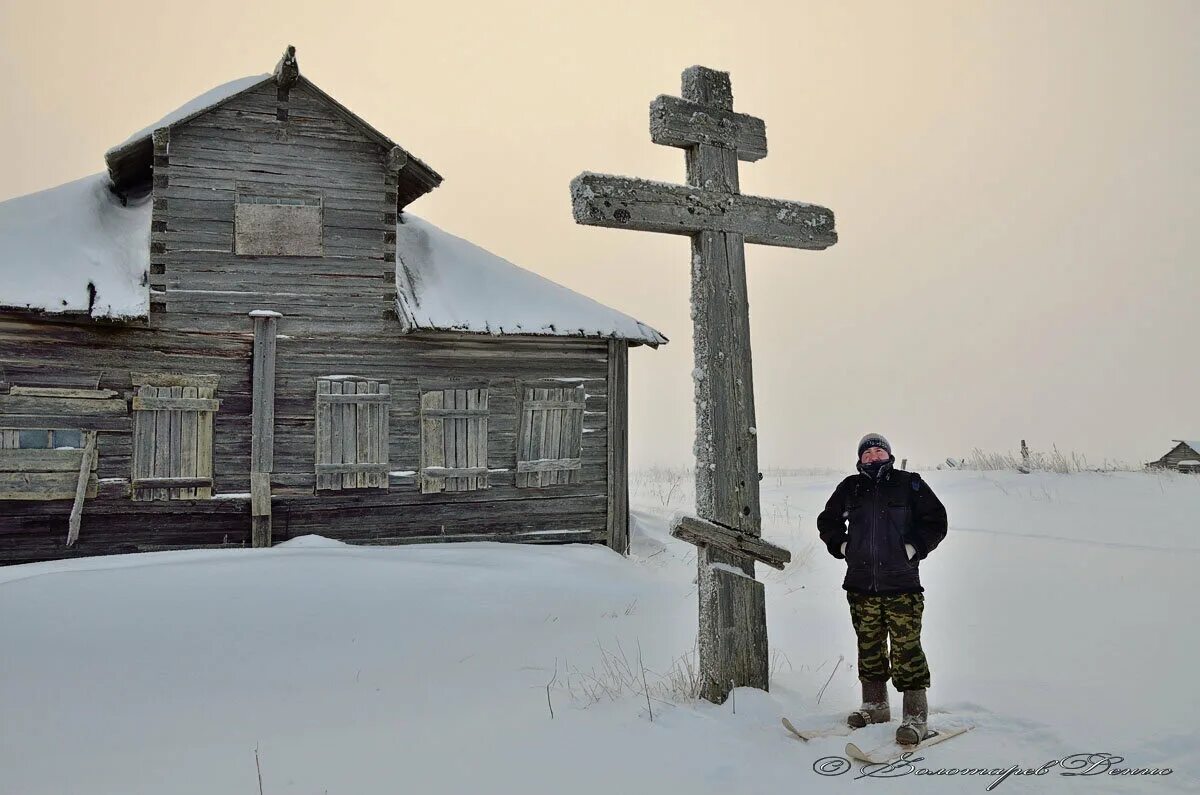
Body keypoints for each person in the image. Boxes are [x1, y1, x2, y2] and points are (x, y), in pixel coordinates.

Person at [817, 433, 948, 745]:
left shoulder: (909, 483)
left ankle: (916, 717)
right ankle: (875, 707)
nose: (873, 456)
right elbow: (828, 522)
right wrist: (843, 545)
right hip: (861, 585)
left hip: (902, 584)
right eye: (868, 453)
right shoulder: (851, 487)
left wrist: (914, 548)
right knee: (870, 646)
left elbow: (936, 521)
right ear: (860, 458)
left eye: (879, 451)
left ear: (888, 454)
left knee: (907, 649)